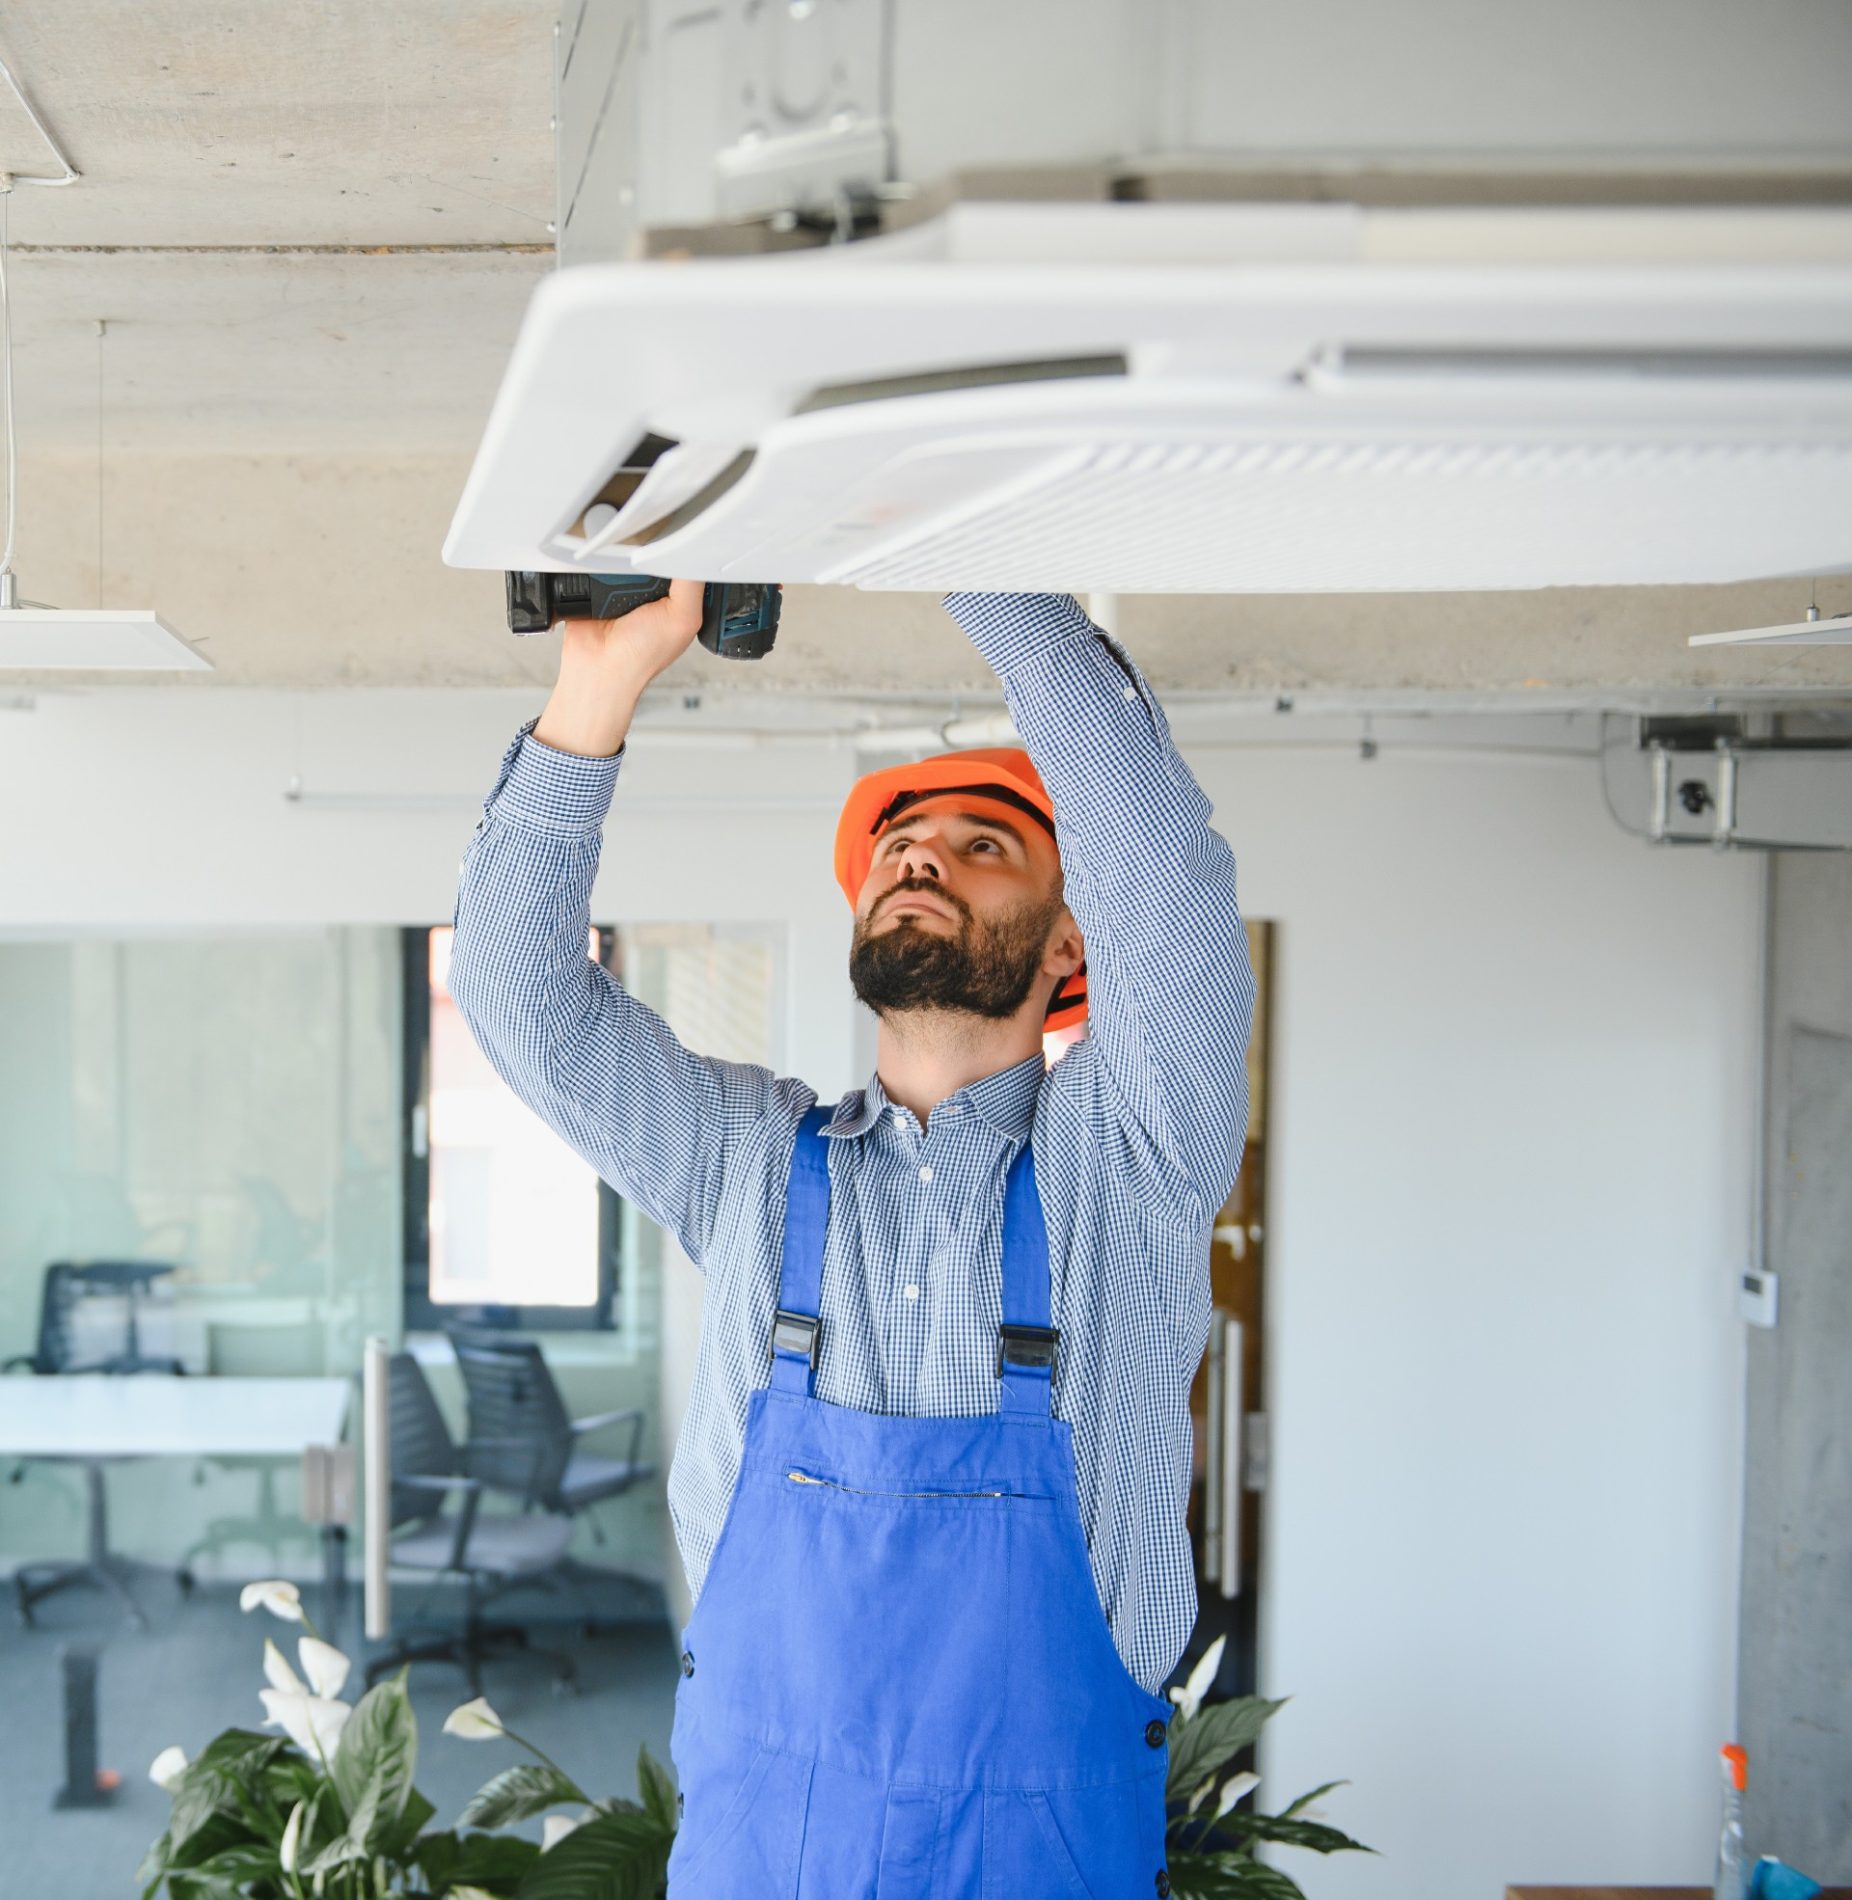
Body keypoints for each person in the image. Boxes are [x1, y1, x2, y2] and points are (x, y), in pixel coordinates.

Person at [449, 582, 1255, 1897]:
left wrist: (951, 539)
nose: (922, 855)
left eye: (984, 843)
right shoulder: (748, 1160)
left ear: (1070, 945)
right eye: (901, 847)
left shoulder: (1132, 1153)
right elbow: (518, 1004)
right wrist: (598, 681)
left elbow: (1160, 872)